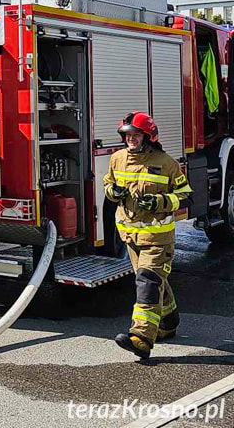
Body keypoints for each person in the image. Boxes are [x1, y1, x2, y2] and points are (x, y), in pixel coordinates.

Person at [103, 112, 192, 359]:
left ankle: (141, 337)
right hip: (130, 237)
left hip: (158, 239)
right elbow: (108, 184)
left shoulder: (167, 163)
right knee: (154, 281)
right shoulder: (117, 159)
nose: (131, 139)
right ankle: (168, 320)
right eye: (127, 135)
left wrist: (160, 201)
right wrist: (114, 191)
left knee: (147, 283)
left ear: (148, 136)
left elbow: (186, 195)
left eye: (136, 134)